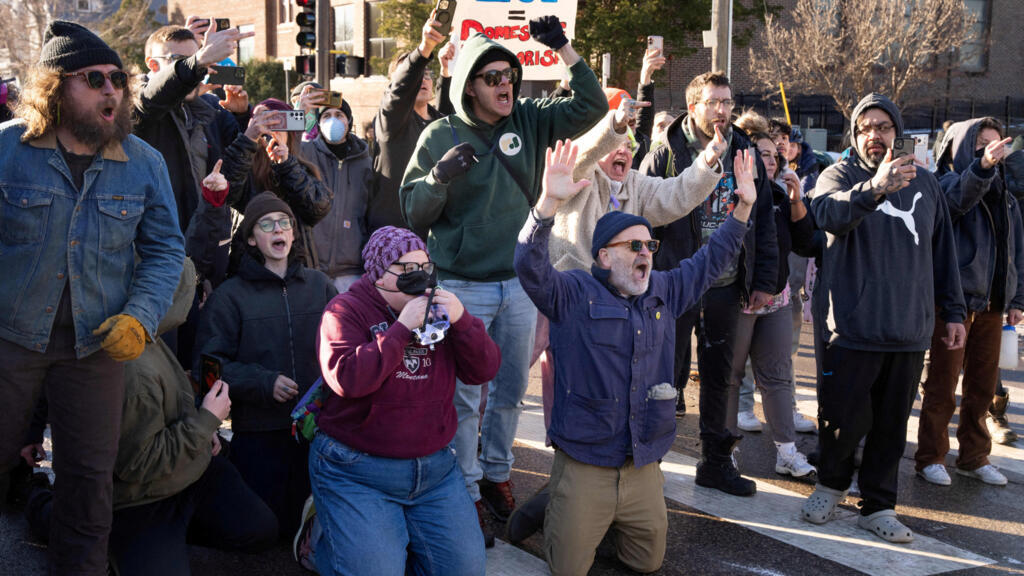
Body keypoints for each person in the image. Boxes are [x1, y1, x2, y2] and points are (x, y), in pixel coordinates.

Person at [399, 17, 607, 540]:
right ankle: (465, 487)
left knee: (511, 389)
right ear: (469, 84)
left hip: (518, 283)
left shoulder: (531, 119)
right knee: (468, 395)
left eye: (508, 76)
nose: (504, 85)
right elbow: (413, 212)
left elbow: (592, 105)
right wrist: (438, 176)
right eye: (492, 77)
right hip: (461, 285)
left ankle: (496, 474)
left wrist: (562, 47)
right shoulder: (438, 134)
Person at [515, 139, 755, 575]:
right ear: (604, 257)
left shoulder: (663, 289)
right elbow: (530, 268)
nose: (645, 253)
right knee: (568, 568)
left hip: (643, 464)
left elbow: (709, 260)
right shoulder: (573, 292)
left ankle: (588, 511)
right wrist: (547, 204)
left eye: (649, 245)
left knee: (647, 563)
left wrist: (741, 211)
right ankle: (559, 498)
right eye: (633, 246)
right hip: (587, 461)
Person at [0, 20, 184, 574]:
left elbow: (164, 251)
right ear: (56, 88)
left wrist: (140, 316)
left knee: (88, 482)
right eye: (95, 78)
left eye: (118, 80)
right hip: (9, 342)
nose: (112, 90)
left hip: (97, 346)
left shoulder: (144, 163)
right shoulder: (8, 150)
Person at [22, 259, 278, 576]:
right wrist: (204, 423)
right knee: (81, 526)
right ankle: (43, 503)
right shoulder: (130, 366)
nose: (194, 296)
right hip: (136, 499)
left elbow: (170, 400)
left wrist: (202, 425)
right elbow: (138, 464)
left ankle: (162, 543)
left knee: (259, 530)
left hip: (190, 471)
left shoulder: (141, 329)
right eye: (187, 287)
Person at [802, 93, 966, 544]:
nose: (875, 134)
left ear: (897, 131)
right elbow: (826, 215)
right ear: (854, 136)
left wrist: (952, 311)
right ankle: (830, 485)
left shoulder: (926, 183)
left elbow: (943, 254)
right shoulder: (837, 174)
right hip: (853, 328)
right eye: (866, 127)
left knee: (892, 428)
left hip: (909, 330)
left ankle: (878, 504)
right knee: (840, 420)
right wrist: (876, 187)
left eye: (883, 126)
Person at [312, 226, 501, 572]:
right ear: (379, 275)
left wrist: (463, 321)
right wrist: (400, 329)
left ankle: (389, 539)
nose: (422, 278)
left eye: (426, 268)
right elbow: (347, 379)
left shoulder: (441, 310)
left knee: (466, 569)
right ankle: (324, 538)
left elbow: (484, 369)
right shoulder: (344, 311)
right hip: (357, 469)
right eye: (408, 270)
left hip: (434, 470)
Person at [640, 71, 778, 496]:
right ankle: (649, 463)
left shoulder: (746, 149)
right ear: (693, 105)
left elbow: (763, 220)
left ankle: (715, 462)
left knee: (721, 375)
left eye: (728, 101)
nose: (723, 110)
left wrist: (764, 279)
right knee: (666, 376)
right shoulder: (665, 151)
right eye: (714, 102)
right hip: (675, 282)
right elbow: (642, 215)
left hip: (726, 284)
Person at [196, 192, 336, 538]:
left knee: (308, 528)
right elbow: (208, 369)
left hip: (316, 432)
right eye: (267, 224)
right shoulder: (230, 296)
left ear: (293, 232)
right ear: (251, 238)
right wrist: (263, 382)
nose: (279, 229)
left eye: (285, 222)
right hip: (258, 434)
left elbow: (347, 349)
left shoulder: (321, 286)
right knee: (265, 531)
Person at [915, 117, 1024, 487]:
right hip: (954, 305)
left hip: (993, 306)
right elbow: (956, 201)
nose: (994, 152)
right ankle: (931, 456)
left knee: (982, 388)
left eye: (998, 146)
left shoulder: (1007, 200)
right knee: (941, 386)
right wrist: (981, 167)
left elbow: (1017, 254)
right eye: (982, 146)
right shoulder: (947, 182)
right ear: (963, 148)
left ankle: (974, 458)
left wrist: (1017, 298)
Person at [725, 129, 817, 478]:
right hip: (739, 300)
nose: (770, 160)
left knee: (778, 378)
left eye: (775, 156)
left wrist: (796, 198)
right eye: (762, 153)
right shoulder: (734, 193)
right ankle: (725, 452)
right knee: (731, 378)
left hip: (776, 300)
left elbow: (807, 242)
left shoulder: (780, 193)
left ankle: (787, 452)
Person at [220, 97, 333, 270]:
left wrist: (287, 166)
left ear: (289, 134)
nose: (273, 131)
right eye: (266, 123)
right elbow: (226, 192)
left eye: (279, 123)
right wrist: (248, 139)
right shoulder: (244, 167)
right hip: (249, 267)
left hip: (297, 267)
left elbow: (317, 208)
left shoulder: (300, 168)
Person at [370, 14, 450, 233]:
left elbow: (451, 116)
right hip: (396, 237)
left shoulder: (438, 121)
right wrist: (425, 48)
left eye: (427, 74)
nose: (422, 78)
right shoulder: (391, 122)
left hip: (434, 236)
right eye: (416, 74)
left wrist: (446, 71)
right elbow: (399, 91)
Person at [305, 98, 374, 293]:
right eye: (326, 116)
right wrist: (302, 110)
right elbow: (286, 146)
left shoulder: (366, 163)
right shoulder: (306, 153)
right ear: (318, 124)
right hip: (310, 265)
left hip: (351, 270)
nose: (332, 120)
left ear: (349, 122)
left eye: (339, 115)